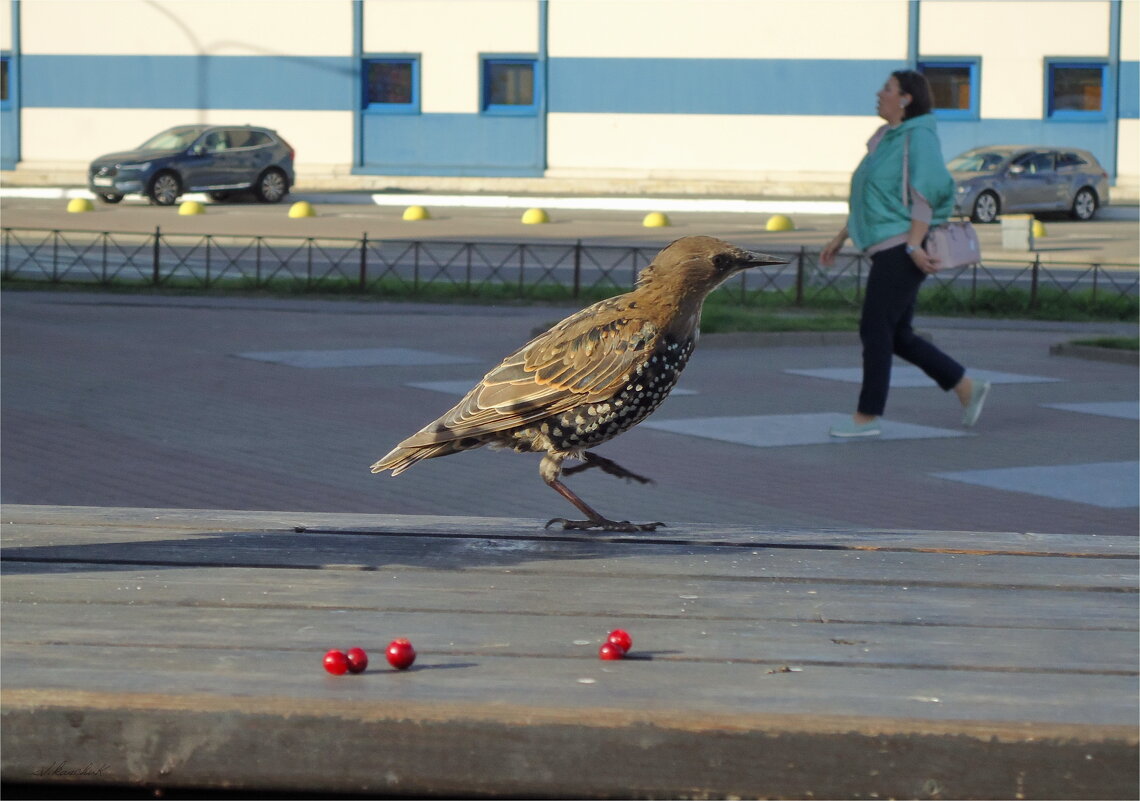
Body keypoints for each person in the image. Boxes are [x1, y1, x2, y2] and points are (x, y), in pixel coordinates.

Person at [820, 70, 991, 438]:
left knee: (875, 329)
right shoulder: (886, 138)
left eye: (887, 88)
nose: (879, 93)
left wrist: (914, 245)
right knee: (897, 335)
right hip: (888, 244)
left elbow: (927, 193)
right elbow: (873, 198)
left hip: (902, 248)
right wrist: (841, 237)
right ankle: (964, 385)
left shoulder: (919, 137)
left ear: (906, 98)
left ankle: (867, 417)